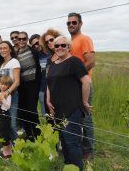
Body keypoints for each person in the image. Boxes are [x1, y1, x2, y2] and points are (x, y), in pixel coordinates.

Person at [46, 36, 92, 170]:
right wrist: (48, 99)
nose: (59, 48)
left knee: (72, 142)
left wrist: (84, 101)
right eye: (57, 46)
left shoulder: (74, 62)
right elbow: (49, 83)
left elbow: (86, 81)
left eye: (63, 45)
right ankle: (68, 167)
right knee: (64, 142)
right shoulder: (53, 65)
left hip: (72, 109)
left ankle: (77, 168)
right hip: (57, 109)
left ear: (68, 47)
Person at [67, 12, 95, 160]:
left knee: (86, 118)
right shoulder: (70, 42)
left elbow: (91, 61)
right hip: (73, 87)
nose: (71, 25)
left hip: (84, 84)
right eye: (69, 23)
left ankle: (89, 151)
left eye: (74, 22)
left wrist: (76, 75)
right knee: (75, 117)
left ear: (80, 24)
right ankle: (79, 145)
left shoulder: (84, 39)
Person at [16, 31, 41, 141]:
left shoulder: (33, 51)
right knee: (23, 111)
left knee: (32, 110)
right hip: (21, 86)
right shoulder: (15, 53)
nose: (21, 41)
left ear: (27, 40)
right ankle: (29, 134)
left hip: (33, 84)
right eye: (19, 39)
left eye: (24, 38)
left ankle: (38, 134)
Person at [0, 41, 20, 141]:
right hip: (2, 97)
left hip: (12, 96)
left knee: (12, 124)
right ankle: (8, 146)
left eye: (5, 48)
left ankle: (18, 148)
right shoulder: (2, 64)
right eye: (0, 48)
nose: (2, 50)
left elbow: (17, 81)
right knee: (4, 122)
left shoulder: (14, 62)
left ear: (10, 49)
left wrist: (7, 92)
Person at [30, 34, 49, 115]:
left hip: (54, 86)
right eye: (34, 45)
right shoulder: (37, 55)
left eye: (37, 43)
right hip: (43, 87)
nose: (36, 46)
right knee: (45, 112)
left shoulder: (51, 51)